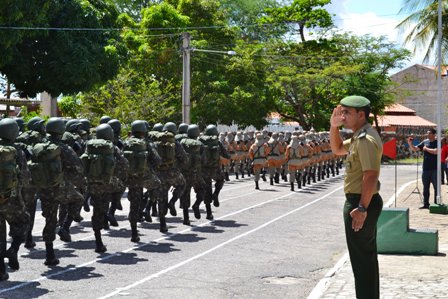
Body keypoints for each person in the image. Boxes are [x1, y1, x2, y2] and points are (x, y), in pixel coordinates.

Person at [330, 95, 383, 299]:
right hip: (360, 201)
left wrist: (361, 208)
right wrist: (334, 127)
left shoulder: (365, 139)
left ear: (361, 115)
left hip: (360, 203)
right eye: (341, 112)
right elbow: (337, 149)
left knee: (362, 262)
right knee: (364, 260)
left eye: (347, 113)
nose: (342, 116)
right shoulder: (358, 136)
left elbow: (370, 175)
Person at [407, 128, 438, 208]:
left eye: (430, 133)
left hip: (435, 169)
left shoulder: (438, 142)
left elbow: (436, 151)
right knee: (425, 187)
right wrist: (410, 143)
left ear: (434, 134)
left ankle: (436, 204)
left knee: (436, 187)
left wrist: (426, 149)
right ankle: (426, 204)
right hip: (426, 169)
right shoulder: (425, 142)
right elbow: (415, 149)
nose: (428, 134)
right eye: (427, 133)